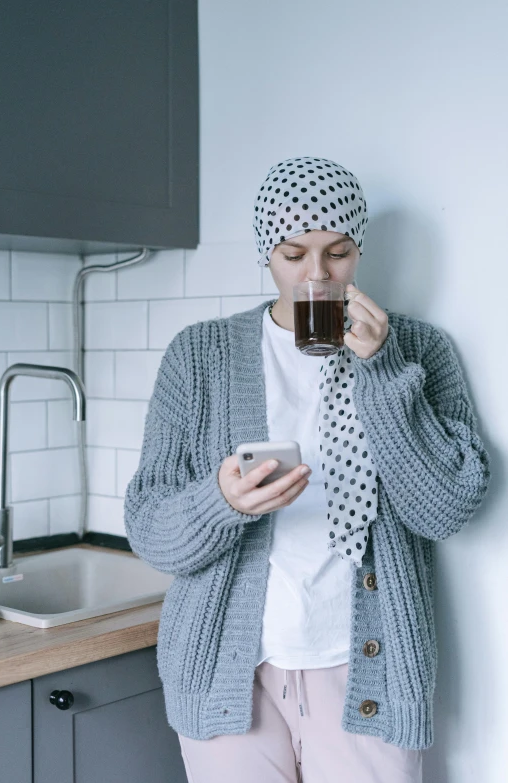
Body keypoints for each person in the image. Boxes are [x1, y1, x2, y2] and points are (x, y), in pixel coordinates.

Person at [124, 156, 491, 783]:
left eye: (338, 253)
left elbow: (447, 506)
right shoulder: (198, 355)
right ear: (267, 252)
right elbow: (150, 529)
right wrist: (224, 502)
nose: (316, 276)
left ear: (359, 249)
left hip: (367, 669)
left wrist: (382, 374)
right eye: (294, 254)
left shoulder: (419, 350)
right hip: (227, 673)